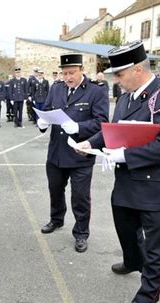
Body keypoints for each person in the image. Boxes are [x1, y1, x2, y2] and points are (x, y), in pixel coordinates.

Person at [76, 40, 160, 303]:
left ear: (138, 70)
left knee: (157, 248)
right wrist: (90, 142)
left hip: (157, 188)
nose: (117, 79)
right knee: (126, 230)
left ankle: (146, 298)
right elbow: (113, 130)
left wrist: (125, 155)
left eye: (120, 74)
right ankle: (133, 260)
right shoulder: (126, 97)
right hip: (127, 184)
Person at [37, 53, 109, 253]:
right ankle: (56, 219)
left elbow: (101, 122)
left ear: (81, 70)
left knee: (80, 197)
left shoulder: (95, 91)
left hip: (81, 154)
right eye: (64, 73)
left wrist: (77, 127)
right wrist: (42, 123)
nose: (67, 77)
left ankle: (81, 233)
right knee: (55, 190)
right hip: (57, 153)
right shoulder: (56, 88)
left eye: (72, 73)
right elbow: (48, 111)